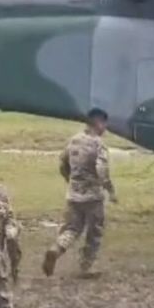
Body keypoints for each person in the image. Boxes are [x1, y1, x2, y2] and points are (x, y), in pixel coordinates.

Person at [44, 107, 117, 278]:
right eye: (104, 124)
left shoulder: (74, 140)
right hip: (93, 197)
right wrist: (110, 190)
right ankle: (86, 267)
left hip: (73, 195)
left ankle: (56, 249)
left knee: (72, 229)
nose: (105, 128)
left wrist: (70, 180)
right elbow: (101, 169)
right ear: (98, 123)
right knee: (94, 233)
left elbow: (63, 163)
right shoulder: (98, 144)